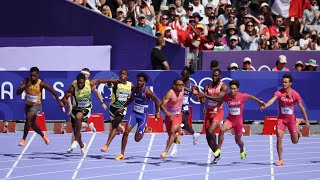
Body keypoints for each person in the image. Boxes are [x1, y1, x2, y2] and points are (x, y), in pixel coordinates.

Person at [260, 74, 310, 166]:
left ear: (290, 83)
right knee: (279, 138)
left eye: (286, 82)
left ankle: (297, 123)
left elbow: (302, 108)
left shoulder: (295, 94)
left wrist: (306, 120)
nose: (283, 83)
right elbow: (272, 100)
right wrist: (265, 105)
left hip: (291, 120)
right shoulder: (279, 92)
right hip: (281, 120)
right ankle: (280, 159)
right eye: (283, 82)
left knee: (295, 141)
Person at [212, 80, 264, 163]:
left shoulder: (242, 96)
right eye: (231, 88)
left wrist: (259, 102)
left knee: (238, 141)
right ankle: (219, 149)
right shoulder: (227, 96)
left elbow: (251, 96)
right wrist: (216, 108)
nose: (232, 90)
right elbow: (220, 101)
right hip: (230, 120)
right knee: (222, 130)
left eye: (234, 89)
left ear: (237, 89)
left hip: (238, 122)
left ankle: (242, 149)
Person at [62, 73, 113, 157]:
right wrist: (63, 103)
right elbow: (66, 96)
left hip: (86, 108)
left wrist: (113, 81)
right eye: (79, 83)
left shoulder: (90, 83)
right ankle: (82, 146)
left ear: (85, 81)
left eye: (82, 83)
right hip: (76, 108)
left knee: (79, 118)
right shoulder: (73, 87)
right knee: (75, 129)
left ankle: (75, 141)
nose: (80, 85)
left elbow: (101, 81)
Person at [114, 73, 160, 160]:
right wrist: (123, 107)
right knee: (126, 131)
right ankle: (122, 154)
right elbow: (131, 99)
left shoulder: (148, 92)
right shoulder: (134, 89)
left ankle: (144, 128)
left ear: (144, 82)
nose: (139, 82)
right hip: (134, 114)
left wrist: (157, 112)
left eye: (141, 81)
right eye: (138, 80)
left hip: (143, 117)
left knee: (137, 139)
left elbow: (157, 101)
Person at [16, 67, 64, 146]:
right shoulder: (26, 81)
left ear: (38, 75)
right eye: (31, 75)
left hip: (37, 106)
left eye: (34, 76)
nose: (32, 77)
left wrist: (59, 102)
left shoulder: (41, 84)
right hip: (28, 106)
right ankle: (43, 135)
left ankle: (23, 138)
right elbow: (17, 92)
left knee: (29, 117)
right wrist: (25, 86)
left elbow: (53, 91)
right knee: (33, 125)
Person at [169, 67, 200, 157]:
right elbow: (175, 88)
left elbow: (197, 96)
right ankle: (194, 134)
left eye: (184, 75)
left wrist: (197, 95)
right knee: (184, 125)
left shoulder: (193, 85)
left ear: (188, 75)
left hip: (184, 107)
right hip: (176, 107)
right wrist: (190, 90)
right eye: (181, 75)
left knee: (176, 126)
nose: (182, 76)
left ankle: (174, 148)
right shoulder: (179, 84)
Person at [101, 69, 135, 152]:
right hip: (113, 108)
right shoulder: (116, 83)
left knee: (114, 126)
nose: (122, 75)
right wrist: (109, 83)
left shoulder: (131, 85)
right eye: (121, 74)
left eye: (124, 74)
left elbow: (134, 93)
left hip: (122, 108)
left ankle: (106, 145)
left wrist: (131, 95)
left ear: (127, 76)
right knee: (114, 124)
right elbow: (109, 85)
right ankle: (121, 129)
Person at [200, 69, 228, 164]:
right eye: (213, 75)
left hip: (218, 112)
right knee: (208, 136)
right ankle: (217, 153)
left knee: (210, 130)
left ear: (220, 76)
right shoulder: (207, 86)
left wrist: (205, 95)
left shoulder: (223, 87)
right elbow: (203, 98)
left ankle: (217, 149)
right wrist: (203, 104)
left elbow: (219, 99)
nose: (214, 77)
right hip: (209, 112)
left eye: (216, 76)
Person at [159, 78, 185, 159]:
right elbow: (161, 106)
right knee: (170, 134)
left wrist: (193, 91)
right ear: (174, 86)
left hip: (178, 116)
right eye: (179, 85)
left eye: (182, 85)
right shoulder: (170, 93)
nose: (181, 87)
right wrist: (168, 113)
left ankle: (165, 152)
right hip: (169, 116)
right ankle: (177, 134)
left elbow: (185, 88)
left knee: (172, 131)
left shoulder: (182, 90)